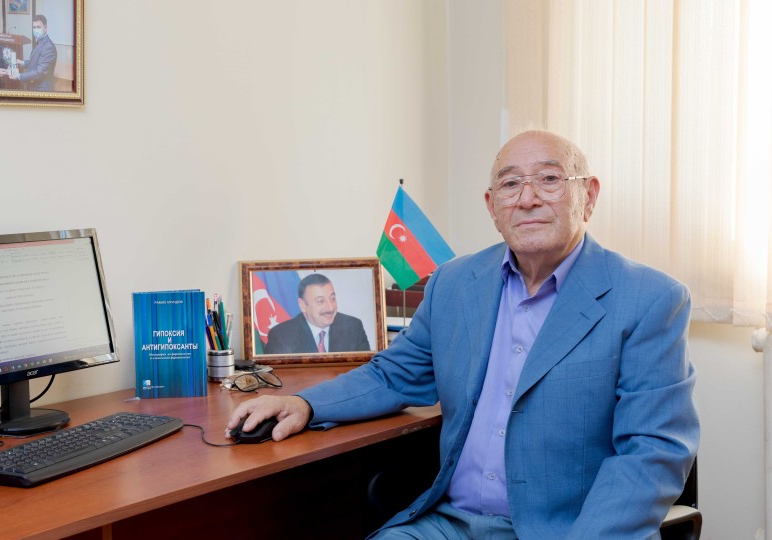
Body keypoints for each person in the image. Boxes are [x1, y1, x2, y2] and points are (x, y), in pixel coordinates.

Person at [227, 130, 699, 538]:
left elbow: (652, 453)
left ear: (588, 196)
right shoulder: (454, 283)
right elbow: (394, 375)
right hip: (447, 524)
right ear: (493, 207)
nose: (528, 198)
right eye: (510, 184)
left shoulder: (648, 299)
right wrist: (305, 405)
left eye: (549, 179)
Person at [264, 273, 371, 354]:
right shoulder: (281, 336)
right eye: (320, 301)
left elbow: (366, 371)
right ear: (303, 305)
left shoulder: (353, 327)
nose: (330, 308)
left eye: (332, 298)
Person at [8, 15, 57, 91]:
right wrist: (23, 63)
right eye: (34, 27)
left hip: (42, 89)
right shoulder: (40, 42)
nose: (36, 30)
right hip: (34, 85)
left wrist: (19, 76)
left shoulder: (49, 47)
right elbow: (37, 61)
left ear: (45, 28)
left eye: (38, 27)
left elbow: (40, 72)